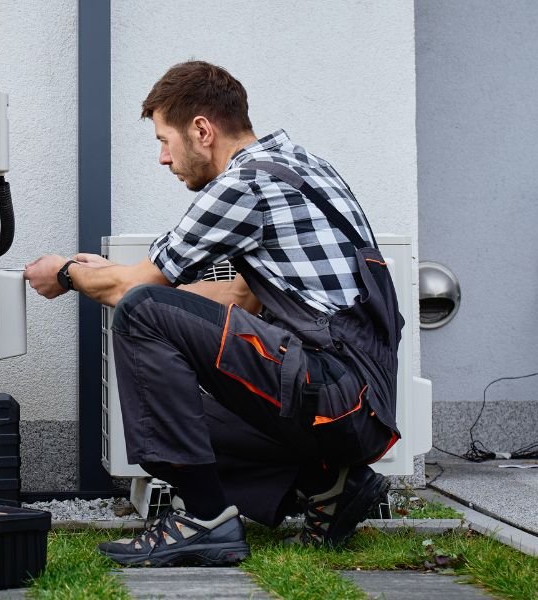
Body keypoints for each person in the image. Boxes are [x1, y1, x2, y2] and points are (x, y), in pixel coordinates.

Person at [25, 61, 404, 567]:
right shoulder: (297, 164)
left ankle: (203, 519)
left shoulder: (244, 184)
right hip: (357, 401)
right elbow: (241, 298)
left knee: (140, 312)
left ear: (202, 130)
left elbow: (137, 292)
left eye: (165, 140)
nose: (163, 158)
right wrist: (122, 277)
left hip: (335, 393)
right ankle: (330, 485)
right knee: (175, 400)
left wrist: (68, 273)